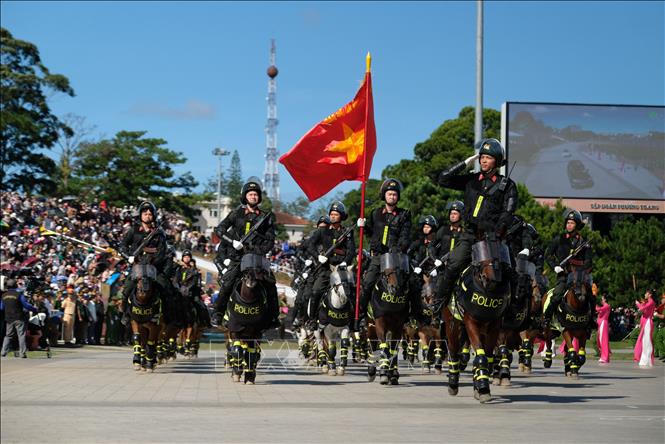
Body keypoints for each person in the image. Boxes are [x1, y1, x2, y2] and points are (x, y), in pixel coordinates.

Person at [433, 138, 518, 308]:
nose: (483, 160)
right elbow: (443, 179)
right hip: (470, 236)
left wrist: (497, 232)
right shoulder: (471, 181)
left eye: (489, 157)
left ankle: (512, 308)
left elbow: (508, 213)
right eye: (482, 157)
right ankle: (439, 304)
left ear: (498, 161)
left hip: (492, 238)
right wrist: (465, 163)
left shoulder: (507, 185)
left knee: (510, 271)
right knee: (453, 265)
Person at [212, 177, 280, 329]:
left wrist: (257, 251)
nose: (253, 197)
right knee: (227, 282)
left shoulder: (265, 217)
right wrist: (232, 242)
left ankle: (273, 317)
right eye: (250, 194)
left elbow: (270, 240)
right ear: (245, 196)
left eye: (256, 194)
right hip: (237, 257)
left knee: (271, 284)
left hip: (257, 259)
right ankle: (217, 313)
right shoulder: (236, 214)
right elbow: (219, 230)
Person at [357, 178, 418, 326]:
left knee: (414, 282)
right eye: (389, 194)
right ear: (384, 196)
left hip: (396, 258)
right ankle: (362, 315)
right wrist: (363, 226)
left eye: (395, 194)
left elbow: (405, 236)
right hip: (378, 257)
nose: (392, 197)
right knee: (367, 282)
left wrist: (397, 249)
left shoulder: (404, 214)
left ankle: (413, 315)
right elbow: (371, 233)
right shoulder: (375, 213)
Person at [119, 200, 169, 323]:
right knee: (127, 288)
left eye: (150, 213)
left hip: (153, 267)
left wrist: (154, 260)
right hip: (137, 265)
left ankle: (164, 314)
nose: (147, 215)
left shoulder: (159, 233)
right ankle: (125, 313)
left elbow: (162, 251)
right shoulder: (133, 230)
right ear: (140, 215)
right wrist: (128, 256)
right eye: (145, 213)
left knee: (165, 288)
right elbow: (122, 246)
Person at [543, 209, 593, 328]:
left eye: (572, 223)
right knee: (556, 297)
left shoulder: (584, 242)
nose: (569, 225)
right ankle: (546, 319)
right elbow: (548, 255)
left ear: (577, 225)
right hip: (564, 275)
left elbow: (588, 261)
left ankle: (591, 320)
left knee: (591, 296)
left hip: (579, 276)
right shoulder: (559, 239)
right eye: (568, 223)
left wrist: (580, 269)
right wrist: (555, 266)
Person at [306, 202, 356, 320]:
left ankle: (354, 320)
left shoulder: (347, 232)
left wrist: (346, 261)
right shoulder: (322, 230)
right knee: (316, 292)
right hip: (326, 268)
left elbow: (351, 249)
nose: (333, 216)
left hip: (341, 269)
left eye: (336, 214)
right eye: (331, 214)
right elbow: (310, 245)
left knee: (353, 292)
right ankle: (312, 320)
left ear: (342, 216)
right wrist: (317, 256)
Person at [1, 278, 38, 358]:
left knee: (8, 336)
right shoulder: (19, 294)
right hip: (19, 318)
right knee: (21, 335)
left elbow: (1, 308)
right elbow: (26, 305)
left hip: (9, 319)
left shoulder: (3, 296)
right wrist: (34, 309)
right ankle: (22, 353)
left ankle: (3, 352)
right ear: (15, 285)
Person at [634, 288, 657, 368]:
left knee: (647, 341)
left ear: (649, 294)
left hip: (648, 323)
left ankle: (648, 359)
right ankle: (644, 359)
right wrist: (642, 304)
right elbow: (644, 310)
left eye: (646, 293)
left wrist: (638, 304)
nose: (644, 295)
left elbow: (642, 309)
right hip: (645, 323)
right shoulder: (648, 302)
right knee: (644, 341)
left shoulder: (651, 302)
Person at [596, 294, 611, 363]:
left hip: (603, 324)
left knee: (603, 340)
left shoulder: (607, 306)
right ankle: (604, 356)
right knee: (600, 340)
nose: (601, 300)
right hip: (601, 324)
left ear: (605, 299)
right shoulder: (604, 306)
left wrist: (595, 305)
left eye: (602, 299)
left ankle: (605, 357)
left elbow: (598, 309)